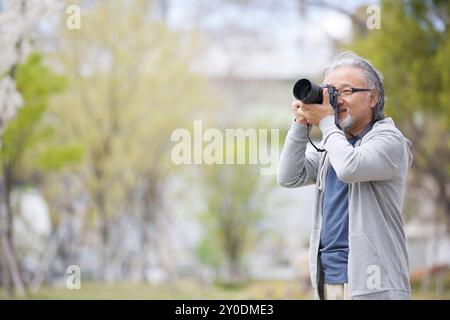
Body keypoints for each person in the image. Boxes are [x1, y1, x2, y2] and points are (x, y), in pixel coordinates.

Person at [277, 52, 412, 300]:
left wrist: (327, 122)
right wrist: (300, 123)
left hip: (374, 286)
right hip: (328, 283)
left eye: (347, 91)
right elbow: (288, 175)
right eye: (331, 91)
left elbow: (351, 167)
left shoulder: (389, 140)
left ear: (373, 98)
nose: (336, 100)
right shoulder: (333, 149)